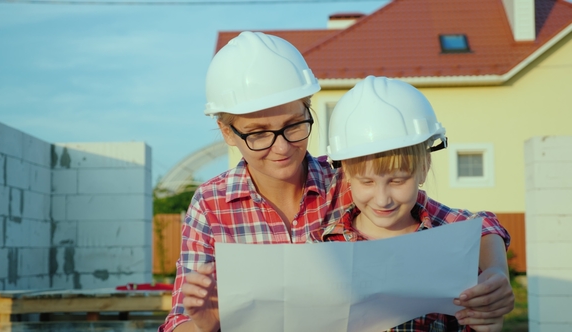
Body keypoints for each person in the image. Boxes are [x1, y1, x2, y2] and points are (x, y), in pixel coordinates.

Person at [159, 32, 513, 332]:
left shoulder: (349, 180)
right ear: (227, 132)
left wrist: (496, 271)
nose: (281, 147)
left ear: (308, 107)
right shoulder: (211, 205)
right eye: (258, 134)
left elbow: (475, 225)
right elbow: (178, 321)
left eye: (294, 125)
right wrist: (207, 323)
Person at [319, 75, 514, 331]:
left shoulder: (448, 244)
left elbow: (481, 225)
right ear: (346, 175)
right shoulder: (324, 248)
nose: (382, 198)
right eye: (366, 182)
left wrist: (496, 276)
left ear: (423, 169)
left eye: (398, 181)